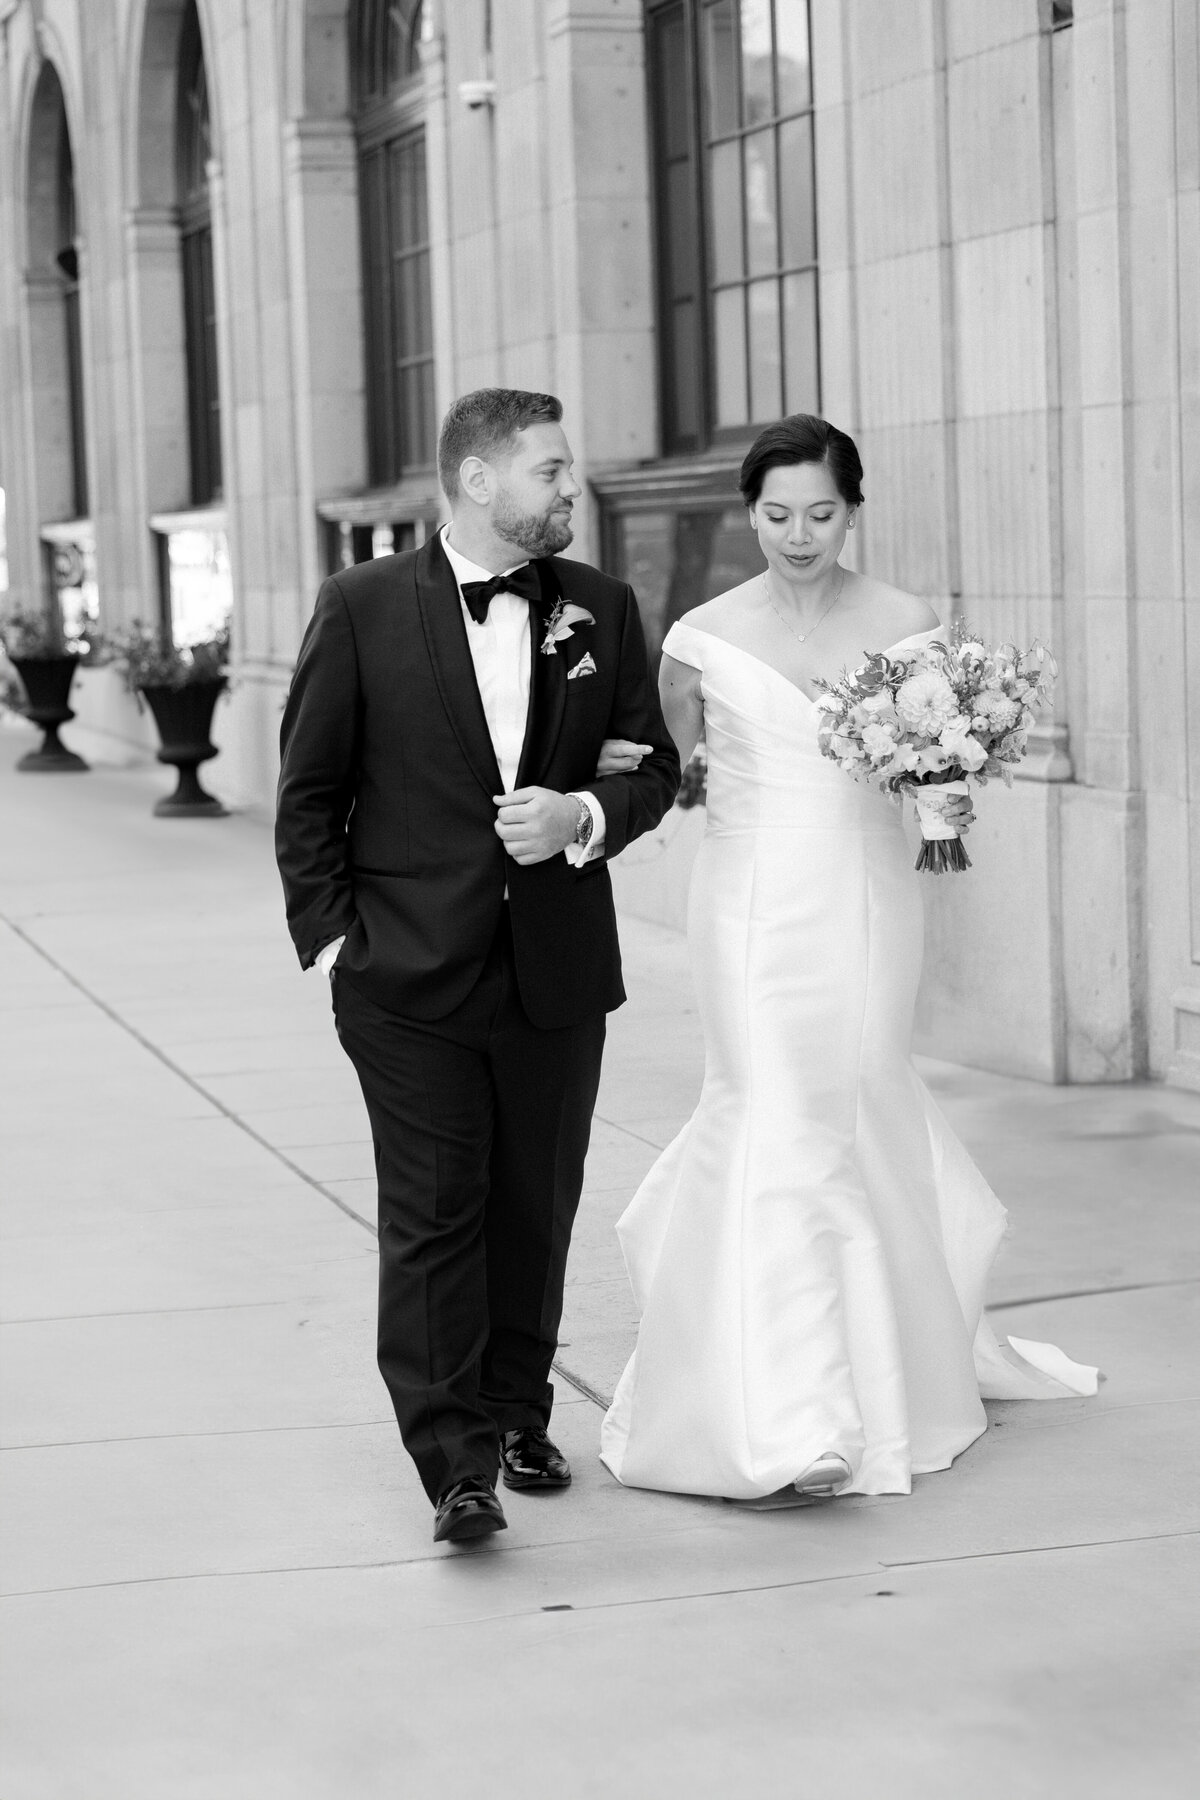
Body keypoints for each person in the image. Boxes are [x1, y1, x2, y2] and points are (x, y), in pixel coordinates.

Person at [599, 413, 1096, 1504]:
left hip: (869, 902)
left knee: (861, 1097)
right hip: (745, 904)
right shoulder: (699, 636)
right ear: (750, 515)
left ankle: (880, 1371)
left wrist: (943, 786)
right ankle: (798, 1415)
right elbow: (674, 769)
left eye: (820, 513)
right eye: (776, 514)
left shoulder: (910, 626)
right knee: (770, 1105)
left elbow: (926, 770)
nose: (798, 533)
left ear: (853, 510)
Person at [276, 388, 680, 1543]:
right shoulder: (360, 606)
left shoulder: (600, 607)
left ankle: (516, 1412)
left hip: (554, 969)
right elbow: (309, 792)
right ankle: (454, 1464)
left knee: (533, 1207)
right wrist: (336, 944)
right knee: (434, 1216)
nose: (571, 488)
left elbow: (653, 766)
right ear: (479, 481)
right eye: (551, 470)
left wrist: (584, 814)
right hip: (407, 978)